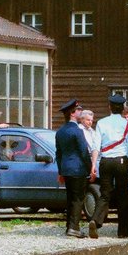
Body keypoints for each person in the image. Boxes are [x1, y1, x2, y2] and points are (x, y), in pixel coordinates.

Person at [90, 93, 128, 239]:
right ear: (123, 108)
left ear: (109, 107)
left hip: (105, 162)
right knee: (122, 194)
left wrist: (93, 165)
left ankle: (95, 220)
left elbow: (95, 146)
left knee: (105, 194)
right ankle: (122, 231)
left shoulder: (102, 123)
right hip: (121, 162)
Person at [54, 99, 91, 238]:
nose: (80, 112)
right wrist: (90, 169)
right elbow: (84, 152)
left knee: (70, 198)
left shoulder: (60, 132)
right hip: (78, 169)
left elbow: (59, 153)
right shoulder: (77, 131)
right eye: (78, 110)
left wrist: (60, 171)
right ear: (73, 114)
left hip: (66, 169)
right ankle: (74, 227)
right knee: (78, 199)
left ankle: (69, 226)